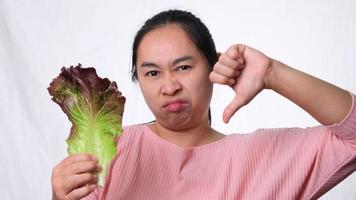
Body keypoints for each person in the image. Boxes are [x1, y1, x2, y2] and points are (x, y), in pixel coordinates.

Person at [51, 9, 356, 200]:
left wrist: (272, 73)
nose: (169, 86)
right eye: (152, 72)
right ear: (138, 80)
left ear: (213, 68)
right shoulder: (111, 150)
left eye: (183, 67)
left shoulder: (264, 158)